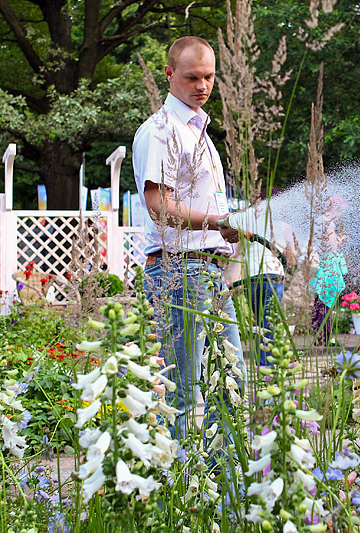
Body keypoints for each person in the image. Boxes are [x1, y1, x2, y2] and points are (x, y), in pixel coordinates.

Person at [132, 36, 245, 441]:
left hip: (208, 272)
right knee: (180, 393)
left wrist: (227, 228)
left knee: (230, 384)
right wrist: (215, 222)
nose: (202, 86)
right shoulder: (161, 131)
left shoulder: (200, 132)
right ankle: (173, 490)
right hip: (178, 272)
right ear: (169, 75)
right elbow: (159, 205)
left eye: (209, 76)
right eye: (192, 77)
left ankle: (223, 486)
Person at [223, 211, 298, 367]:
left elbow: (235, 252)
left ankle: (261, 364)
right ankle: (269, 367)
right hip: (274, 278)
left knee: (259, 325)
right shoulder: (284, 227)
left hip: (252, 279)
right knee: (271, 323)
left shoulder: (247, 225)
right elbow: (291, 256)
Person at [310, 195, 348, 345]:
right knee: (326, 303)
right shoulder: (328, 223)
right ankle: (325, 338)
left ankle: (319, 336)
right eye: (340, 212)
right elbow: (331, 247)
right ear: (335, 209)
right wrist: (340, 240)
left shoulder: (317, 221)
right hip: (328, 265)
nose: (340, 216)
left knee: (319, 301)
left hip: (320, 264)